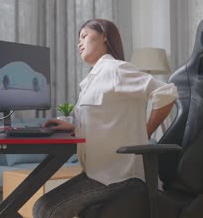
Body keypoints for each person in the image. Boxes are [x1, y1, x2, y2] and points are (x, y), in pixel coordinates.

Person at [33, 19, 178, 218]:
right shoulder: (91, 80)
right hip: (98, 174)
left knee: (48, 210)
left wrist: (146, 131)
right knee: (42, 207)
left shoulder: (116, 70)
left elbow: (166, 92)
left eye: (84, 35)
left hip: (120, 176)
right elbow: (104, 122)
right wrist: (74, 127)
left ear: (103, 37)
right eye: (79, 39)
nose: (79, 43)